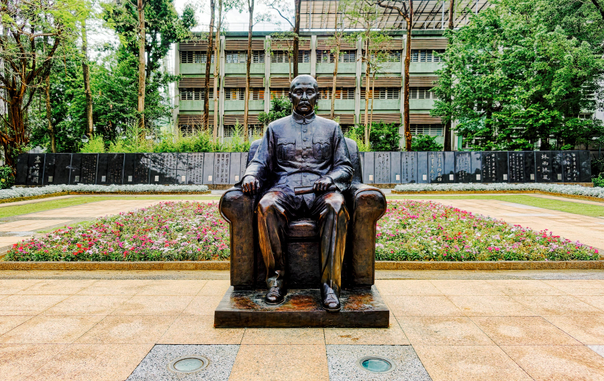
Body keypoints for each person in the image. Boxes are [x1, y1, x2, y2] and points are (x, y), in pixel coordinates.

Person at [240, 75, 353, 312]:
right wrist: (250, 175)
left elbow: (345, 167)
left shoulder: (331, 128)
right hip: (285, 189)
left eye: (309, 92)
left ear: (318, 96)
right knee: (266, 205)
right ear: (289, 96)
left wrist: (330, 178)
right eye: (298, 92)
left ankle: (330, 287)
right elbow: (259, 162)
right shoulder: (275, 128)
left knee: (336, 206)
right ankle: (276, 282)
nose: (304, 97)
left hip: (320, 191)